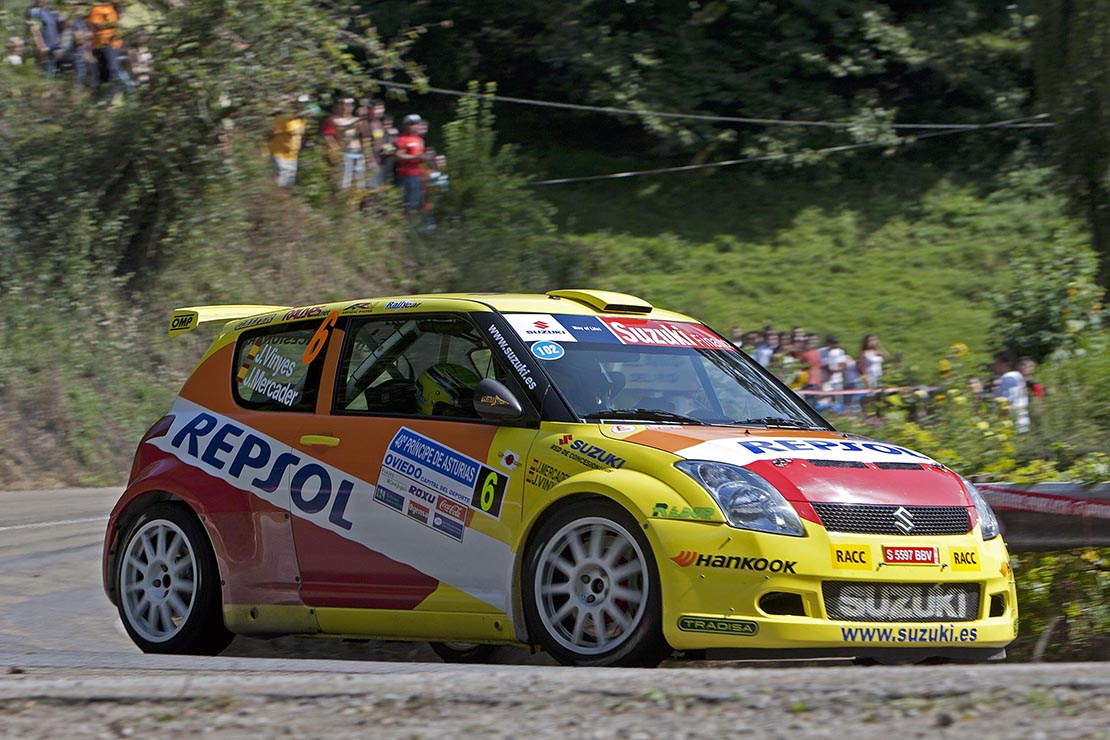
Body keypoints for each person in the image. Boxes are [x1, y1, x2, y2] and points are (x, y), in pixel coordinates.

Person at [88, 1, 133, 102]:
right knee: (107, 71)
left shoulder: (112, 8)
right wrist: (113, 25)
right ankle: (106, 96)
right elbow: (95, 26)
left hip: (114, 44)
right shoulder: (97, 9)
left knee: (114, 69)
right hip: (102, 44)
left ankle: (113, 95)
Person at [321, 98, 366, 190]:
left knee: (360, 182)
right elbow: (339, 130)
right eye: (344, 105)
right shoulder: (335, 120)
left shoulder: (357, 120)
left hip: (358, 151)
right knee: (345, 182)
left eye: (350, 105)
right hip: (345, 151)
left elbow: (363, 135)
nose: (347, 107)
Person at [268, 96, 306, 188]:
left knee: (288, 185)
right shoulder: (282, 119)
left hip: (292, 157)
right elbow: (269, 134)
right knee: (280, 185)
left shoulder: (300, 120)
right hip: (280, 155)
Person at [395, 113, 427, 213]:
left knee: (416, 203)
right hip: (406, 175)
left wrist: (424, 158)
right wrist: (415, 157)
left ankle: (414, 225)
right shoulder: (402, 139)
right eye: (412, 124)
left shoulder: (419, 140)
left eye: (417, 123)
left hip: (417, 174)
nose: (415, 126)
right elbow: (398, 156)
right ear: (406, 126)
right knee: (408, 204)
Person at [992, 349, 1029, 432]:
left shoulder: (1008, 378)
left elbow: (1006, 403)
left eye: (997, 363)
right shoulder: (1017, 376)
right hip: (1021, 423)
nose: (994, 366)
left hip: (1013, 425)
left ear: (1006, 363)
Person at [27, 0, 62, 76]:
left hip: (52, 50)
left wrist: (57, 48)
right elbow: (34, 30)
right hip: (43, 51)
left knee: (51, 75)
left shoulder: (51, 13)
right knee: (42, 76)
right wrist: (41, 46)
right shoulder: (35, 11)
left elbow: (56, 31)